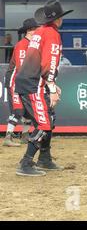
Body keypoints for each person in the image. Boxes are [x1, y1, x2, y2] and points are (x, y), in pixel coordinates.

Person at [14, 0, 71, 176]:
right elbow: (50, 62)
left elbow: (42, 62)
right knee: (44, 123)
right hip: (34, 84)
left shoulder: (40, 32)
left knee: (48, 119)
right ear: (58, 19)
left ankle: (44, 158)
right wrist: (52, 87)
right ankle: (26, 163)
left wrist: (51, 84)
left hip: (29, 81)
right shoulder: (52, 35)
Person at [2, 18, 39, 147]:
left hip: (23, 81)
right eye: (36, 30)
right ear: (30, 31)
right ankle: (8, 137)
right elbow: (22, 66)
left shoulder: (30, 45)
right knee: (18, 110)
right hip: (16, 81)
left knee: (28, 111)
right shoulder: (22, 45)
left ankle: (24, 135)